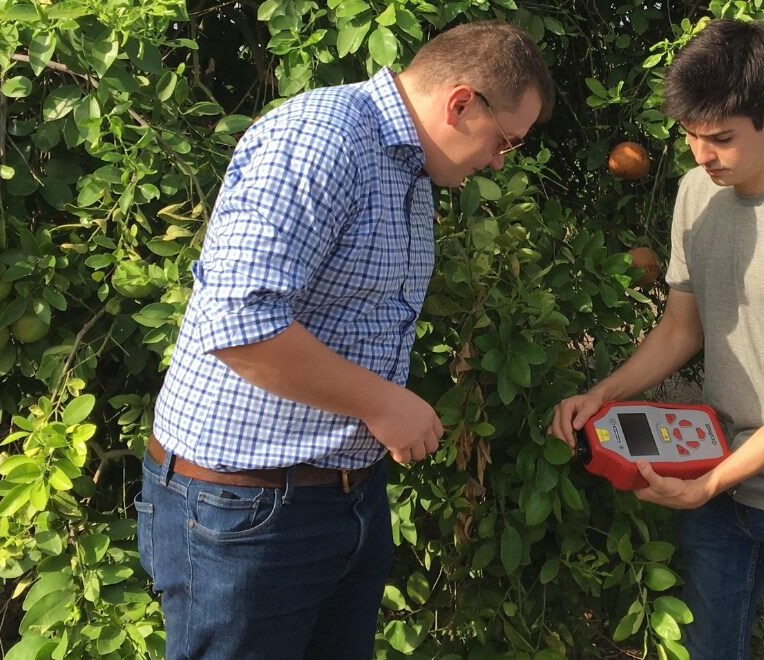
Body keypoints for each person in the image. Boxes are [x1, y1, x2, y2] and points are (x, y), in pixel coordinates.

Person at [137, 20, 553, 659]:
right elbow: (239, 323)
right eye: (506, 141)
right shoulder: (322, 139)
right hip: (244, 512)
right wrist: (384, 404)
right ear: (462, 102)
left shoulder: (410, 170)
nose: (500, 160)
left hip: (342, 499)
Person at [549, 18, 764, 660]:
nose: (703, 155)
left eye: (722, 139)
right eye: (692, 137)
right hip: (715, 463)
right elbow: (681, 328)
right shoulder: (695, 194)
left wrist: (709, 484)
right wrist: (604, 392)